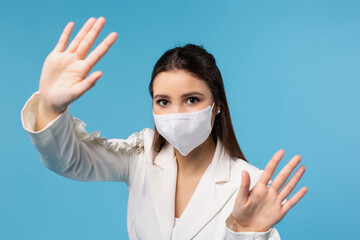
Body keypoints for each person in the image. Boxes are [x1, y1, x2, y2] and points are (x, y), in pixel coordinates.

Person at [20, 16, 308, 240]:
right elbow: (69, 162)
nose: (176, 114)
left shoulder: (251, 187)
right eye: (163, 102)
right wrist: (50, 106)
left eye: (192, 100)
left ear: (217, 104)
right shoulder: (141, 155)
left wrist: (243, 231)